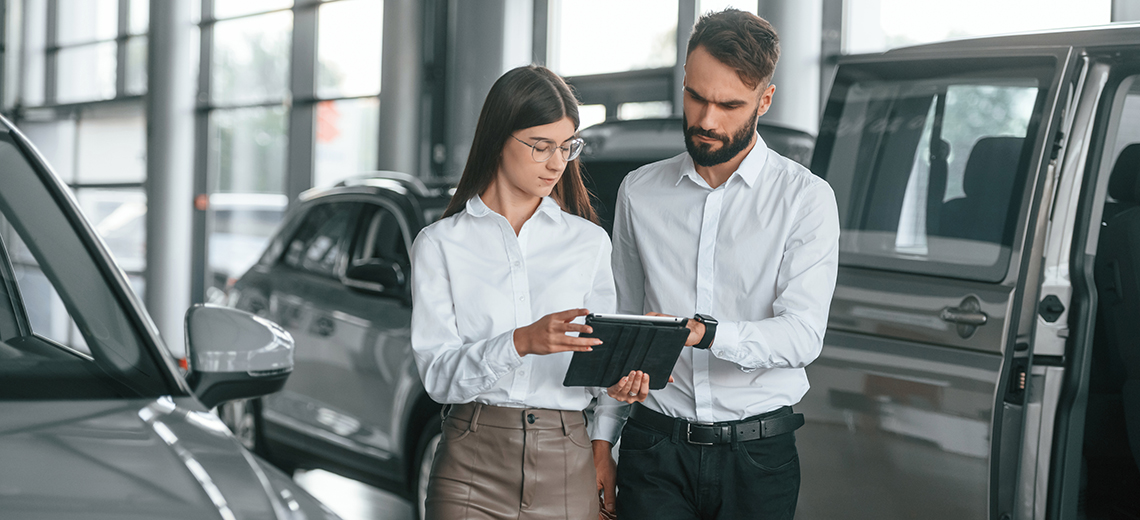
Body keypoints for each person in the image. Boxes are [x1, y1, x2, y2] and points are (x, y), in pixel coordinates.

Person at [591, 9, 841, 520]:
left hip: (758, 457)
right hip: (653, 449)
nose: (706, 120)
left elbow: (801, 336)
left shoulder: (805, 200)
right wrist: (602, 440)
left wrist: (702, 333)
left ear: (764, 100)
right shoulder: (640, 191)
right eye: (696, 97)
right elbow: (623, 318)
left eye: (729, 105)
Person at [410, 65, 651, 520]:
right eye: (542, 147)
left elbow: (600, 364)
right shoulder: (441, 243)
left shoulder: (587, 242)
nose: (558, 163)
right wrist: (521, 342)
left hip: (566, 460)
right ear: (499, 138)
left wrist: (621, 382)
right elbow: (439, 378)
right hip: (470, 462)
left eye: (567, 147)